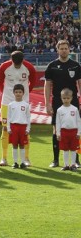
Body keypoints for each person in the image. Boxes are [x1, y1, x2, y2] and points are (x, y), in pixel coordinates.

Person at [44, 40, 81, 168]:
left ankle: (76, 160)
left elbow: (79, 83)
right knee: (56, 129)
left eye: (66, 48)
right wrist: (47, 104)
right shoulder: (52, 66)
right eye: (62, 48)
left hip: (74, 102)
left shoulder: (76, 65)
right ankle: (55, 160)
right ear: (57, 50)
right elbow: (47, 85)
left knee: (75, 129)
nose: (64, 50)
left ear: (69, 50)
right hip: (57, 102)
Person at [0, 51, 38, 166]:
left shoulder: (29, 67)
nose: (17, 66)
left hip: (23, 102)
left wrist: (25, 94)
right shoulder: (4, 67)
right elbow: (0, 82)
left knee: (25, 130)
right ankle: (4, 158)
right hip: (7, 102)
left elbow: (33, 82)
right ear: (11, 60)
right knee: (5, 129)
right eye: (15, 64)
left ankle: (26, 159)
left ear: (23, 60)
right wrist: (6, 93)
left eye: (19, 64)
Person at [55, 88, 81, 171]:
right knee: (65, 149)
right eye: (64, 98)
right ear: (61, 98)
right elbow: (58, 122)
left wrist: (79, 132)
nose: (66, 100)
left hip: (73, 132)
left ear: (71, 98)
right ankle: (66, 165)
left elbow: (78, 121)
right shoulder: (59, 110)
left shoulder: (75, 109)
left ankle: (73, 165)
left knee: (73, 149)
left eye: (68, 98)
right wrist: (58, 133)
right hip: (64, 132)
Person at [6, 84, 31, 169]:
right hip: (14, 127)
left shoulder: (26, 105)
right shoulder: (11, 105)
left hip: (23, 127)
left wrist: (28, 128)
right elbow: (8, 117)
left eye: (20, 92)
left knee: (22, 145)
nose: (18, 94)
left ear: (23, 93)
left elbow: (28, 117)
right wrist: (8, 128)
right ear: (13, 93)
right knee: (14, 145)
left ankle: (23, 162)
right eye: (16, 92)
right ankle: (15, 162)